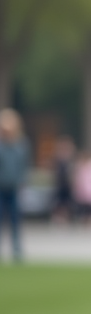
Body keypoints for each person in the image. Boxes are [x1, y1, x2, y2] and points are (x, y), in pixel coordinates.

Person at [0, 109, 30, 263]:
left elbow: (23, 167)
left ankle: (16, 249)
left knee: (15, 220)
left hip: (14, 187)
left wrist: (22, 182)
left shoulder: (20, 145)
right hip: (1, 187)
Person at [52, 135, 75, 224]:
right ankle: (60, 218)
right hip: (60, 183)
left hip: (67, 184)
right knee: (60, 202)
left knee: (67, 202)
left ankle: (66, 218)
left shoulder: (70, 159)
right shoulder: (59, 159)